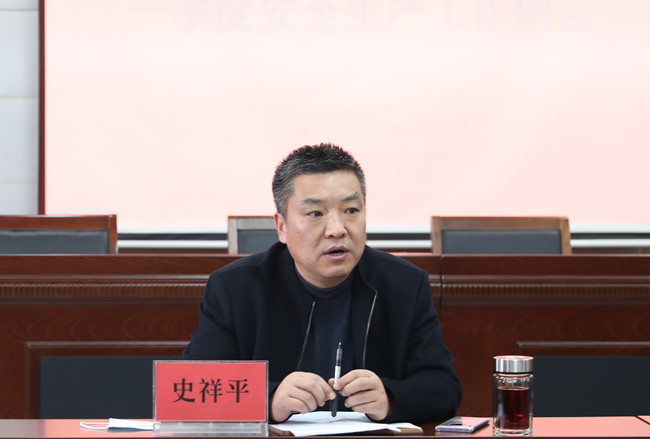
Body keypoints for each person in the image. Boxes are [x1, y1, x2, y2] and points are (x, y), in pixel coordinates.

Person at [183, 143, 462, 424]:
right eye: (316, 214)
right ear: (282, 226)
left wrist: (390, 399)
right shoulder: (235, 288)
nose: (337, 229)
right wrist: (269, 400)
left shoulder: (403, 284)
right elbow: (192, 388)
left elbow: (443, 388)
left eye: (351, 210)